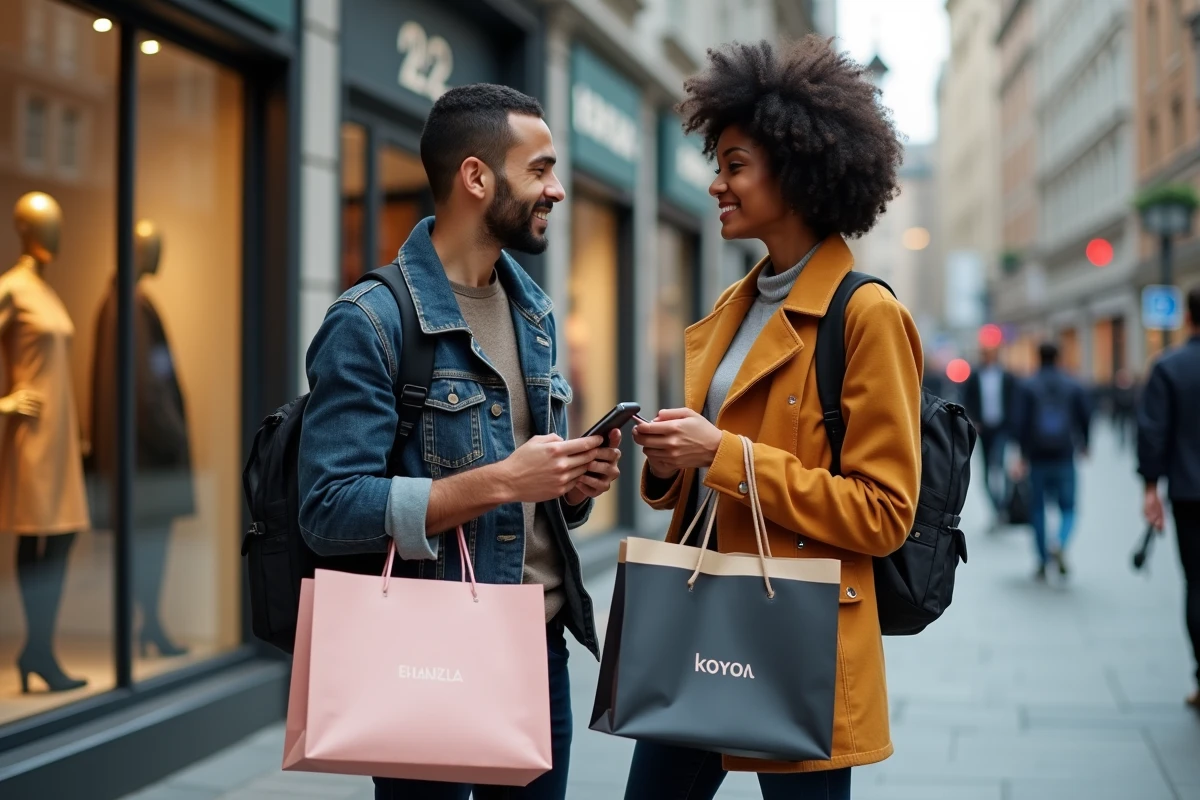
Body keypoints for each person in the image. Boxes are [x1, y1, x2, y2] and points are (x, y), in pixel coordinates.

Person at [297, 84, 620, 800]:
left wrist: (570, 488)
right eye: (540, 170)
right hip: (426, 651)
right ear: (477, 177)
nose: (558, 190)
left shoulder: (532, 311)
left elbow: (535, 508)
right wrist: (504, 480)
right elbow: (327, 506)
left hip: (537, 652)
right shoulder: (371, 321)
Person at [628, 37, 922, 800]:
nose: (716, 184)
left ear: (794, 172)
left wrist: (720, 452)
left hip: (800, 639)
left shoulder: (866, 315)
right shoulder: (733, 307)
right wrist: (667, 461)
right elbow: (701, 474)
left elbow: (885, 512)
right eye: (717, 164)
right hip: (701, 622)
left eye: (734, 165)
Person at [1137, 286, 1200, 711]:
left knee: (1197, 584)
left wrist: (1150, 488)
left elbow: (1153, 431)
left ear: (1188, 317)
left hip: (1190, 493)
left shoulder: (1171, 367)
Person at [1013, 341, 1091, 580]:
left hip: (1037, 457)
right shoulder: (1072, 384)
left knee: (1037, 509)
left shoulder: (1028, 385)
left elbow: (1019, 422)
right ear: (1059, 357)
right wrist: (1085, 443)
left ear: (1038, 358)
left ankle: (1042, 560)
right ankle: (1060, 542)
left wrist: (1021, 454)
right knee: (1068, 507)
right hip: (1065, 454)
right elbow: (1085, 415)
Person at [962, 345, 1019, 527]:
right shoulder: (975, 377)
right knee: (987, 473)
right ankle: (998, 509)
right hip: (984, 430)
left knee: (1000, 466)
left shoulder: (1007, 377)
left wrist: (1013, 425)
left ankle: (1003, 506)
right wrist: (973, 420)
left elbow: (1014, 401)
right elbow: (966, 400)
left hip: (1002, 429)